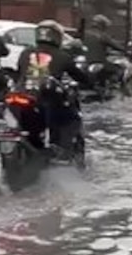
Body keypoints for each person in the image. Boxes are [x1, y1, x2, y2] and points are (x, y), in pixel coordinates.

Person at [15, 20, 89, 157]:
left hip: (22, 96)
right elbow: (81, 77)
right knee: (69, 119)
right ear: (58, 37)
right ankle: (62, 150)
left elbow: (19, 73)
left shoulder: (25, 52)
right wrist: (90, 82)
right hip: (46, 99)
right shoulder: (63, 56)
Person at [82, 14, 126, 88]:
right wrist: (126, 50)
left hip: (85, 62)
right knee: (118, 69)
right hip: (99, 62)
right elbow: (116, 46)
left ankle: (102, 84)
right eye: (105, 26)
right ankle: (113, 86)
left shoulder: (85, 33)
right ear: (102, 25)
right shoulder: (103, 36)